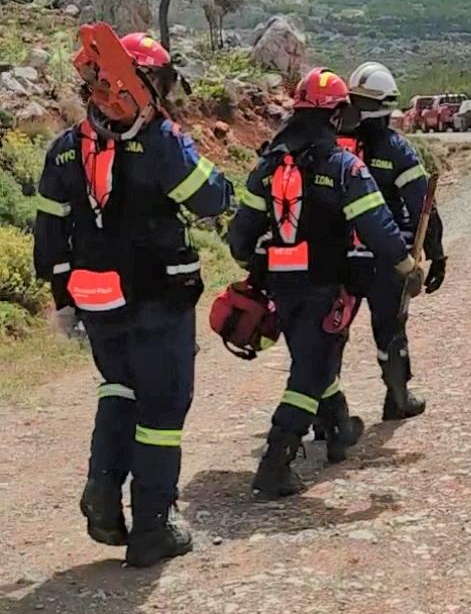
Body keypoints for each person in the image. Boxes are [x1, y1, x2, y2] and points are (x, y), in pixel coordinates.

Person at [33, 31, 233, 567]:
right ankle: (152, 525)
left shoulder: (64, 150)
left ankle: (103, 493)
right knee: (163, 408)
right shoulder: (162, 142)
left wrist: (62, 300)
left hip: (96, 302)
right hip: (158, 300)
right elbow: (211, 199)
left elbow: (49, 235)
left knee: (119, 389)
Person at [228, 68, 423, 500]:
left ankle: (337, 424)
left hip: (280, 287)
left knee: (310, 358)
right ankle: (275, 461)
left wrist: (261, 264)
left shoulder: (268, 164)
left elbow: (240, 237)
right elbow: (379, 227)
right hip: (324, 285)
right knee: (312, 372)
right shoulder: (342, 166)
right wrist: (407, 266)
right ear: (336, 116)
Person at [334, 60, 447, 422]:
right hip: (388, 258)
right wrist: (437, 254)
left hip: (338, 258)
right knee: (391, 328)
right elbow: (422, 206)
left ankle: (326, 414)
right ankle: (397, 397)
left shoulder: (335, 147)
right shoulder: (397, 150)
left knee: (332, 333)